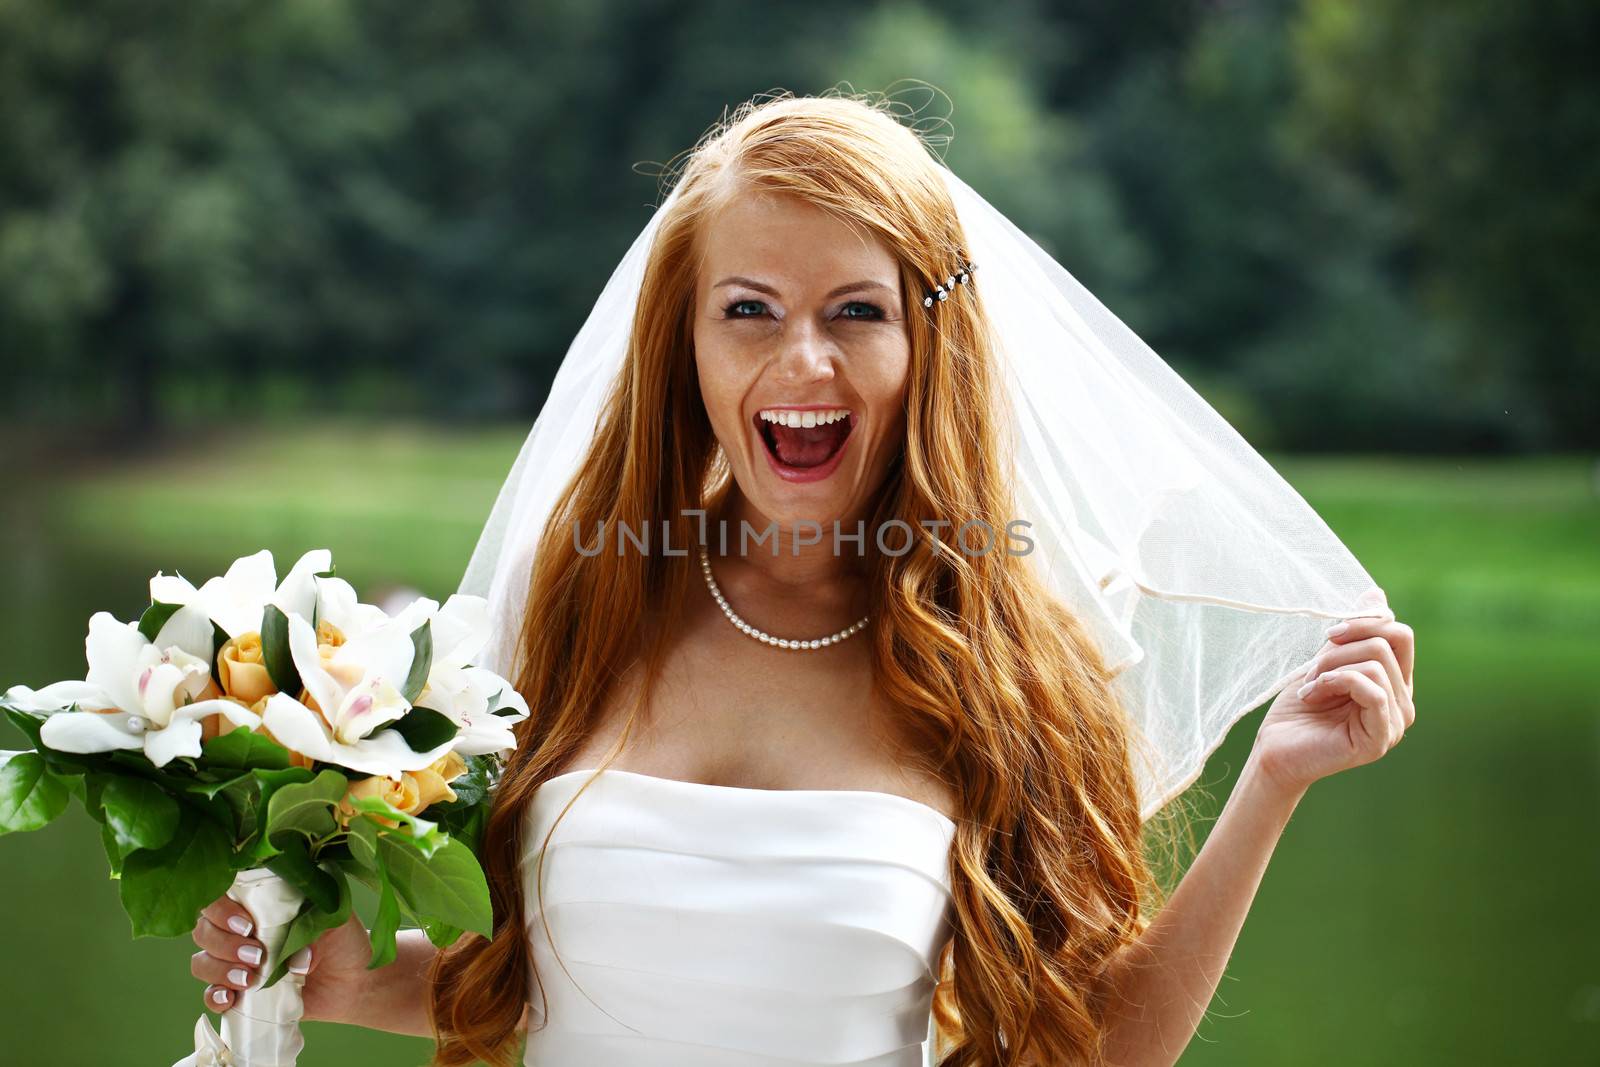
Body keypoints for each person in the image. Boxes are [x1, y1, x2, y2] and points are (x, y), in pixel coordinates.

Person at [189, 91, 1417, 1066]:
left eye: (855, 310)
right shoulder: (580, 594)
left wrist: (1271, 783)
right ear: (685, 340)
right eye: (750, 309)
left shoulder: (1009, 659)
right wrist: (354, 978)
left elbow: (1087, 1045)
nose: (805, 359)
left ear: (924, 342)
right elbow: (531, 987)